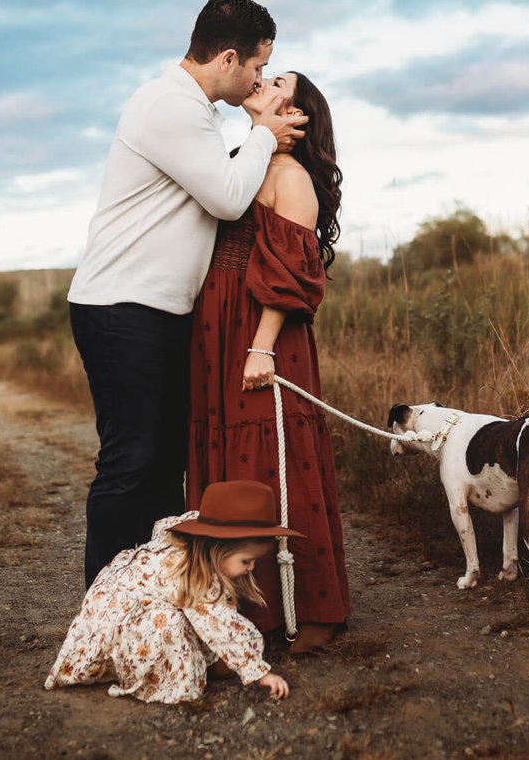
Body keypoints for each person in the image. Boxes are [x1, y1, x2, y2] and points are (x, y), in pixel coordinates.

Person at [67, 0, 307, 590]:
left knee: (162, 465)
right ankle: (106, 607)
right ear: (228, 58)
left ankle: (153, 600)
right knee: (131, 461)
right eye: (255, 68)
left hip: (157, 312)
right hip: (121, 308)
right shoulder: (168, 106)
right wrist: (261, 132)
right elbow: (227, 196)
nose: (258, 80)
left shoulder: (195, 114)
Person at [186, 71, 349, 653]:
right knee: (226, 458)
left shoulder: (291, 178)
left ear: (297, 114)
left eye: (278, 80)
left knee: (276, 459)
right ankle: (233, 606)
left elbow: (291, 274)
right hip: (215, 331)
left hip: (262, 334)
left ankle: (311, 608)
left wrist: (261, 345)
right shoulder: (244, 164)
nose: (261, 79)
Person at [44, 480, 299, 704]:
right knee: (172, 622)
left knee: (187, 618)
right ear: (218, 548)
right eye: (246, 561)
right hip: (121, 628)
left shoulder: (192, 547)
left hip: (122, 616)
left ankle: (199, 660)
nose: (251, 568)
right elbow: (220, 622)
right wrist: (261, 672)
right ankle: (164, 680)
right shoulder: (192, 573)